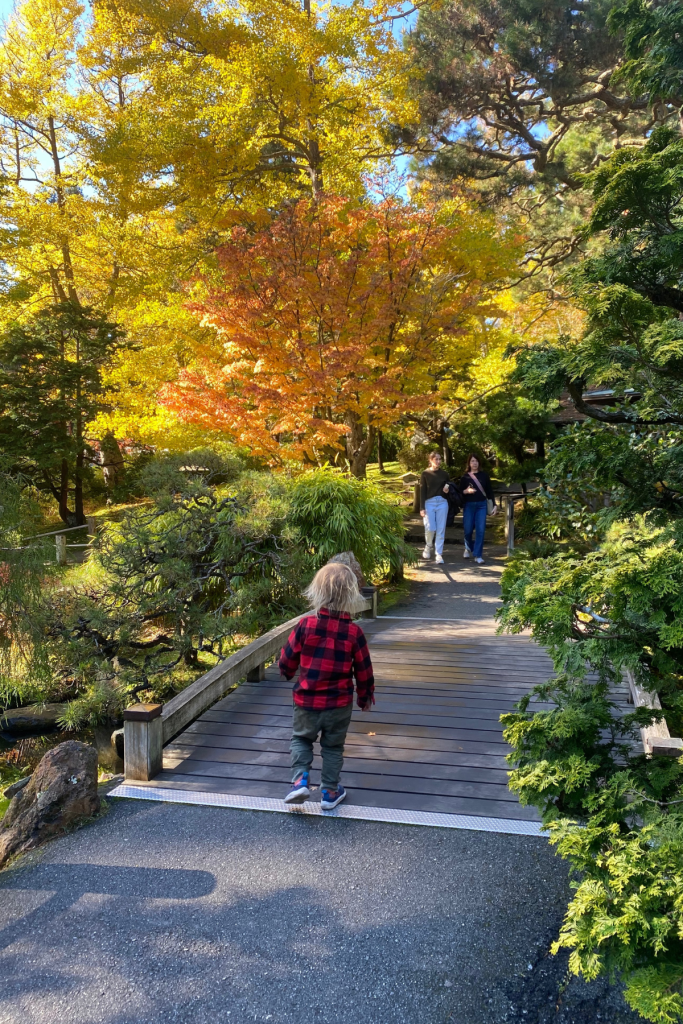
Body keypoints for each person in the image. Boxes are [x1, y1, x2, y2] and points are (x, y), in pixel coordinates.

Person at [279, 562, 374, 810]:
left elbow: (287, 659)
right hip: (338, 704)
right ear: (351, 595)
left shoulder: (305, 626)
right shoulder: (354, 633)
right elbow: (364, 671)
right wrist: (364, 698)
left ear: (317, 592)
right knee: (333, 747)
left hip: (306, 701)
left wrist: (287, 672)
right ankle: (330, 792)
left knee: (301, 740)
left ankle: (300, 780)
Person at [458, 453, 496, 564]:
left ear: (479, 463)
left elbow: (489, 492)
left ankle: (478, 555)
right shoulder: (465, 477)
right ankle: (468, 547)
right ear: (469, 463)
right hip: (469, 505)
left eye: (476, 461)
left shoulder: (484, 476)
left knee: (480, 530)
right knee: (468, 530)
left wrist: (494, 505)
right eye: (472, 461)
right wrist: (466, 491)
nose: (474, 463)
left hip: (482, 505)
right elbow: (459, 492)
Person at [419, 451, 451, 565]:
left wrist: (447, 490)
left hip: (442, 502)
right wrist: (422, 507)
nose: (438, 461)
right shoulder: (425, 474)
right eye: (436, 459)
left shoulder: (444, 474)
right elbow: (422, 491)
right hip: (429, 502)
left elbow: (448, 488)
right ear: (430, 460)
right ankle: (428, 546)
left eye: (439, 459)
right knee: (430, 527)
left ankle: (439, 554)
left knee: (441, 529)